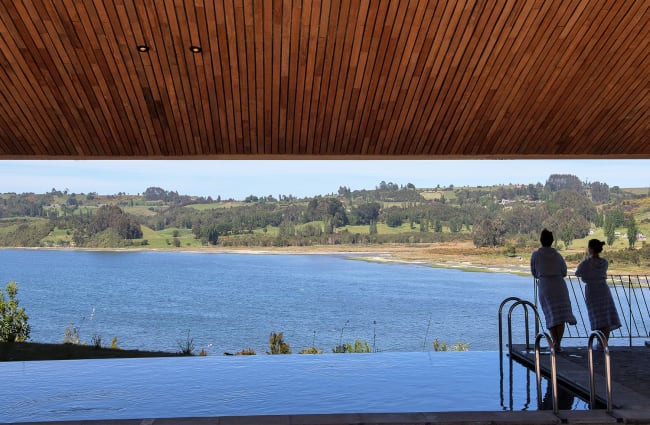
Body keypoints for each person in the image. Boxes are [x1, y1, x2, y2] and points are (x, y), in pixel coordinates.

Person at [530, 229, 577, 352]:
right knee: (560, 315)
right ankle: (557, 343)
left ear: (541, 240)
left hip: (545, 286)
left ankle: (554, 343)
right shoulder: (557, 255)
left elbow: (534, 272)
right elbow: (564, 272)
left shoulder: (536, 255)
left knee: (550, 314)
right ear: (552, 241)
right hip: (559, 286)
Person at [575, 239, 621, 346]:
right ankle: (604, 343)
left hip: (592, 291)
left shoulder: (586, 263)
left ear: (590, 249)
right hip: (604, 290)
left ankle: (600, 342)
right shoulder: (604, 262)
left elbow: (577, 273)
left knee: (597, 316)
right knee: (606, 316)